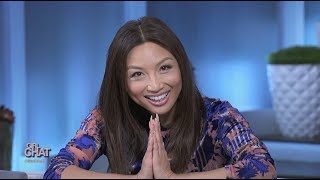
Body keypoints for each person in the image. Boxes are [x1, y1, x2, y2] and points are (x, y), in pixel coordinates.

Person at [43, 16, 277, 179]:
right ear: (121, 82)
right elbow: (57, 170)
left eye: (164, 68)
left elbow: (262, 167)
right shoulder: (106, 119)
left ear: (182, 66)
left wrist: (170, 178)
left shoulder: (219, 116)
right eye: (137, 74)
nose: (155, 85)